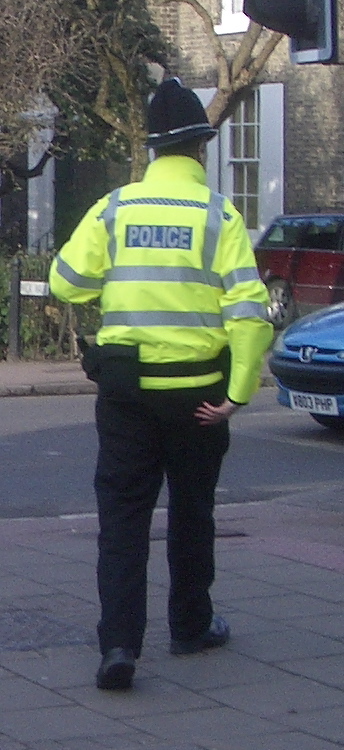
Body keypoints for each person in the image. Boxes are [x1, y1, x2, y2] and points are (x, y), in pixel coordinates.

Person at [49, 78, 273, 691]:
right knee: (192, 513)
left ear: (151, 150)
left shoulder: (116, 208)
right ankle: (190, 626)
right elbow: (249, 313)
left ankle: (119, 645)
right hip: (199, 394)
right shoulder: (219, 215)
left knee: (122, 519)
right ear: (199, 149)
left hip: (125, 395)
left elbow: (66, 282)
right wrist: (238, 394)